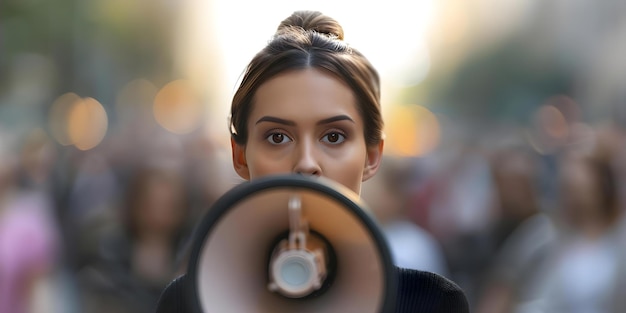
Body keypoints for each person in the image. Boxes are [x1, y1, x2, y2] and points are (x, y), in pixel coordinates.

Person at [155, 10, 469, 313]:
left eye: (334, 137)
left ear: (372, 157)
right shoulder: (187, 302)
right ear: (240, 157)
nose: (306, 164)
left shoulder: (432, 303)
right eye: (278, 137)